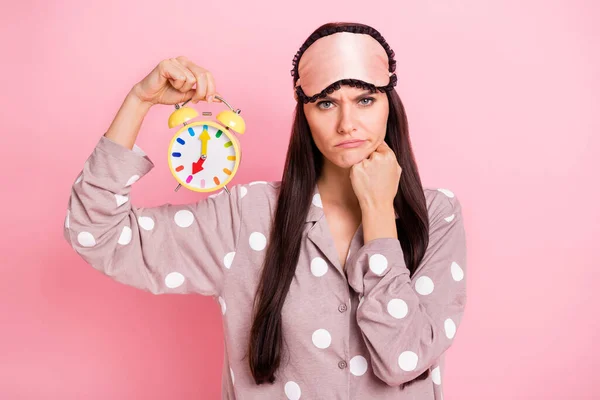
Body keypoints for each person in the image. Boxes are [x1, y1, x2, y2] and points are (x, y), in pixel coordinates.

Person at [63, 21, 467, 400]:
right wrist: (140, 101)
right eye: (326, 103)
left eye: (364, 100)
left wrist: (379, 213)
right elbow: (97, 233)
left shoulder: (437, 215)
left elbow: (403, 360)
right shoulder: (246, 216)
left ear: (388, 105)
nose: (347, 123)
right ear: (304, 113)